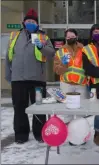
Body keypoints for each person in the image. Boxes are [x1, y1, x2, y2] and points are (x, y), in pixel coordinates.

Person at [5, 8, 55, 144]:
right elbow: (8, 57)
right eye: (28, 21)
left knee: (39, 107)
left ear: (37, 24)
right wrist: (8, 75)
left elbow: (51, 53)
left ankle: (40, 133)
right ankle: (21, 134)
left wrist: (41, 47)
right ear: (24, 22)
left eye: (33, 21)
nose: (30, 23)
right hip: (18, 79)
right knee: (19, 107)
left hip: (37, 79)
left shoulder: (43, 37)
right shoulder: (14, 36)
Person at [53, 28, 88, 146]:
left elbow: (89, 66)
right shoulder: (60, 51)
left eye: (72, 36)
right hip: (66, 84)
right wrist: (63, 63)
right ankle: (70, 136)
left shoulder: (84, 50)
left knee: (80, 112)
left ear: (77, 37)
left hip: (81, 85)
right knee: (67, 112)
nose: (70, 38)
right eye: (67, 37)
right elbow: (56, 70)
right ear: (65, 38)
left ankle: (81, 136)